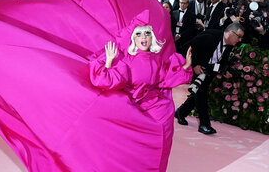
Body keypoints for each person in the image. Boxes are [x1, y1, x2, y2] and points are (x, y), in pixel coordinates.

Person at [90, 22, 192, 171]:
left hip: (153, 105)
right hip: (131, 108)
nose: (143, 37)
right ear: (133, 39)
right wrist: (109, 61)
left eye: (147, 33)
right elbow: (108, 80)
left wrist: (185, 65)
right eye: (138, 34)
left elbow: (165, 78)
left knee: (163, 127)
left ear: (152, 38)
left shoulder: (156, 59)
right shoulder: (126, 60)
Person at [175, 22, 245, 134]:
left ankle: (181, 112)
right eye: (239, 36)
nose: (240, 40)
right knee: (201, 94)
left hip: (210, 71)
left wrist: (224, 71)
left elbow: (221, 60)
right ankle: (204, 124)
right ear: (231, 33)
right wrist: (195, 65)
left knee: (197, 94)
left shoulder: (230, 45)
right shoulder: (210, 36)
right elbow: (186, 47)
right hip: (199, 70)